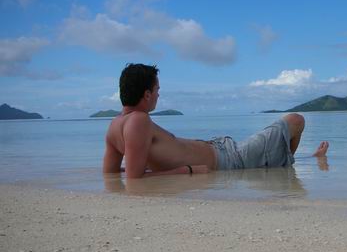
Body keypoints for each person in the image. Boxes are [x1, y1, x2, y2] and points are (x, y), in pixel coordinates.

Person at [103, 63, 329, 179]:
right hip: (229, 159)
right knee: (296, 120)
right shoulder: (139, 120)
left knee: (274, 148)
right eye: (157, 90)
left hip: (221, 149)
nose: (159, 95)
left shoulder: (114, 125)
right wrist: (187, 171)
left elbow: (111, 174)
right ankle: (295, 163)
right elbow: (135, 179)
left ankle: (297, 160)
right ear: (147, 95)